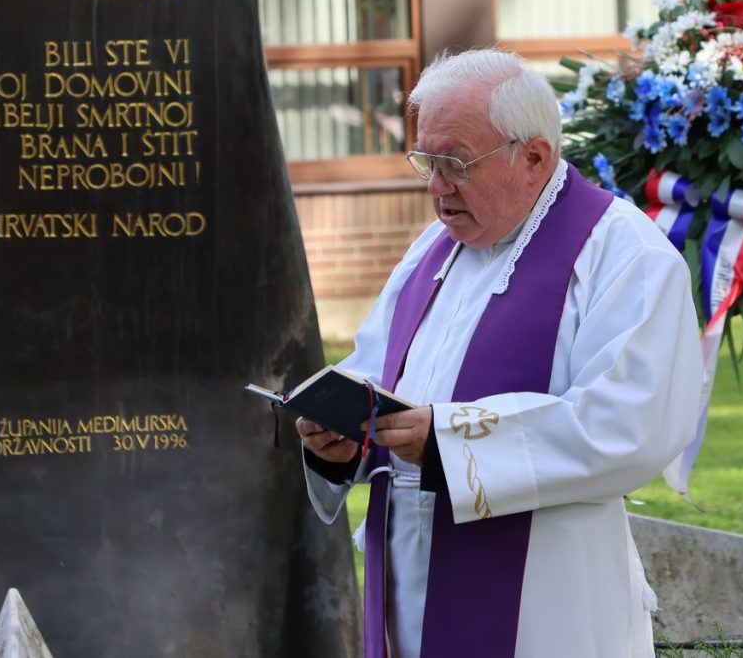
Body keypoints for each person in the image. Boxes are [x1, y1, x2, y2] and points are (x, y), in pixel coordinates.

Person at [297, 48, 703, 658]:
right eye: (426, 162)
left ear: (534, 156)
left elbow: (631, 426)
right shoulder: (431, 253)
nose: (437, 187)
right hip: (408, 582)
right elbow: (376, 373)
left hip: (545, 601)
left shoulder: (625, 256)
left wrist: (450, 439)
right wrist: (341, 438)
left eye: (456, 163)